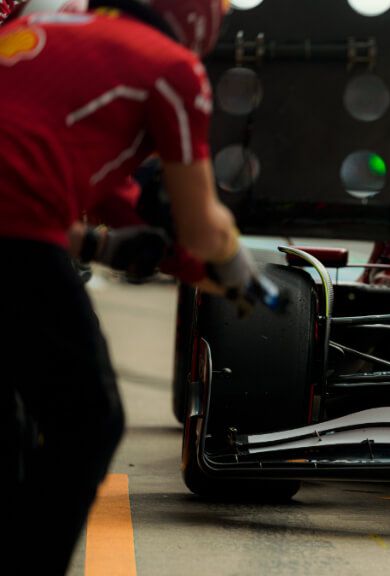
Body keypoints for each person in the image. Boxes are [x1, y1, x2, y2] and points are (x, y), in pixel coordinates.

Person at [0, 1, 266, 573]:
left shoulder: (38, 29)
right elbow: (202, 225)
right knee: (89, 420)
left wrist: (103, 246)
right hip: (15, 242)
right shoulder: (173, 69)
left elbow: (44, 174)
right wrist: (241, 273)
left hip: (20, 229)